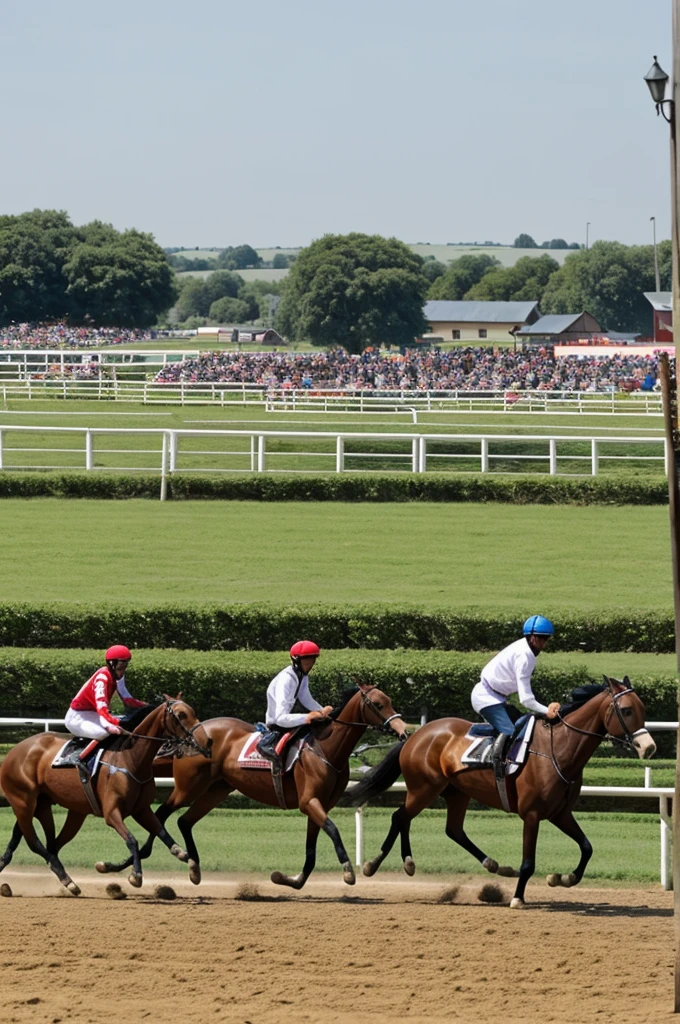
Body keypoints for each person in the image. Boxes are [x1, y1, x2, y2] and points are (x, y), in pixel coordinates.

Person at [471, 616, 561, 777]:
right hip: (486, 698)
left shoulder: (526, 649)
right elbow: (525, 699)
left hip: (496, 697)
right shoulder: (525, 656)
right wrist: (546, 710)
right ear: (533, 638)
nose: (545, 643)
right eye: (543, 638)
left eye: (547, 638)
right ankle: (497, 766)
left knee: (525, 729)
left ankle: (478, 731)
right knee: (510, 732)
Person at [64, 645, 147, 776]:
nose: (123, 670)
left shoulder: (117, 676)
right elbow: (101, 706)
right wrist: (112, 724)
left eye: (125, 666)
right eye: (121, 667)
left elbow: (127, 699)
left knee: (123, 726)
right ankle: (79, 758)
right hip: (77, 717)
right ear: (112, 664)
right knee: (105, 733)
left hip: (93, 714)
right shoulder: (102, 677)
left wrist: (148, 707)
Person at [256, 640, 333, 770]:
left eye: (314, 659)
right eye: (308, 660)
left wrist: (321, 711)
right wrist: (308, 717)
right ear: (297, 660)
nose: (312, 663)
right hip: (278, 724)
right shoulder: (286, 679)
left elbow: (305, 697)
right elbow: (280, 718)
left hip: (288, 721)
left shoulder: (301, 675)